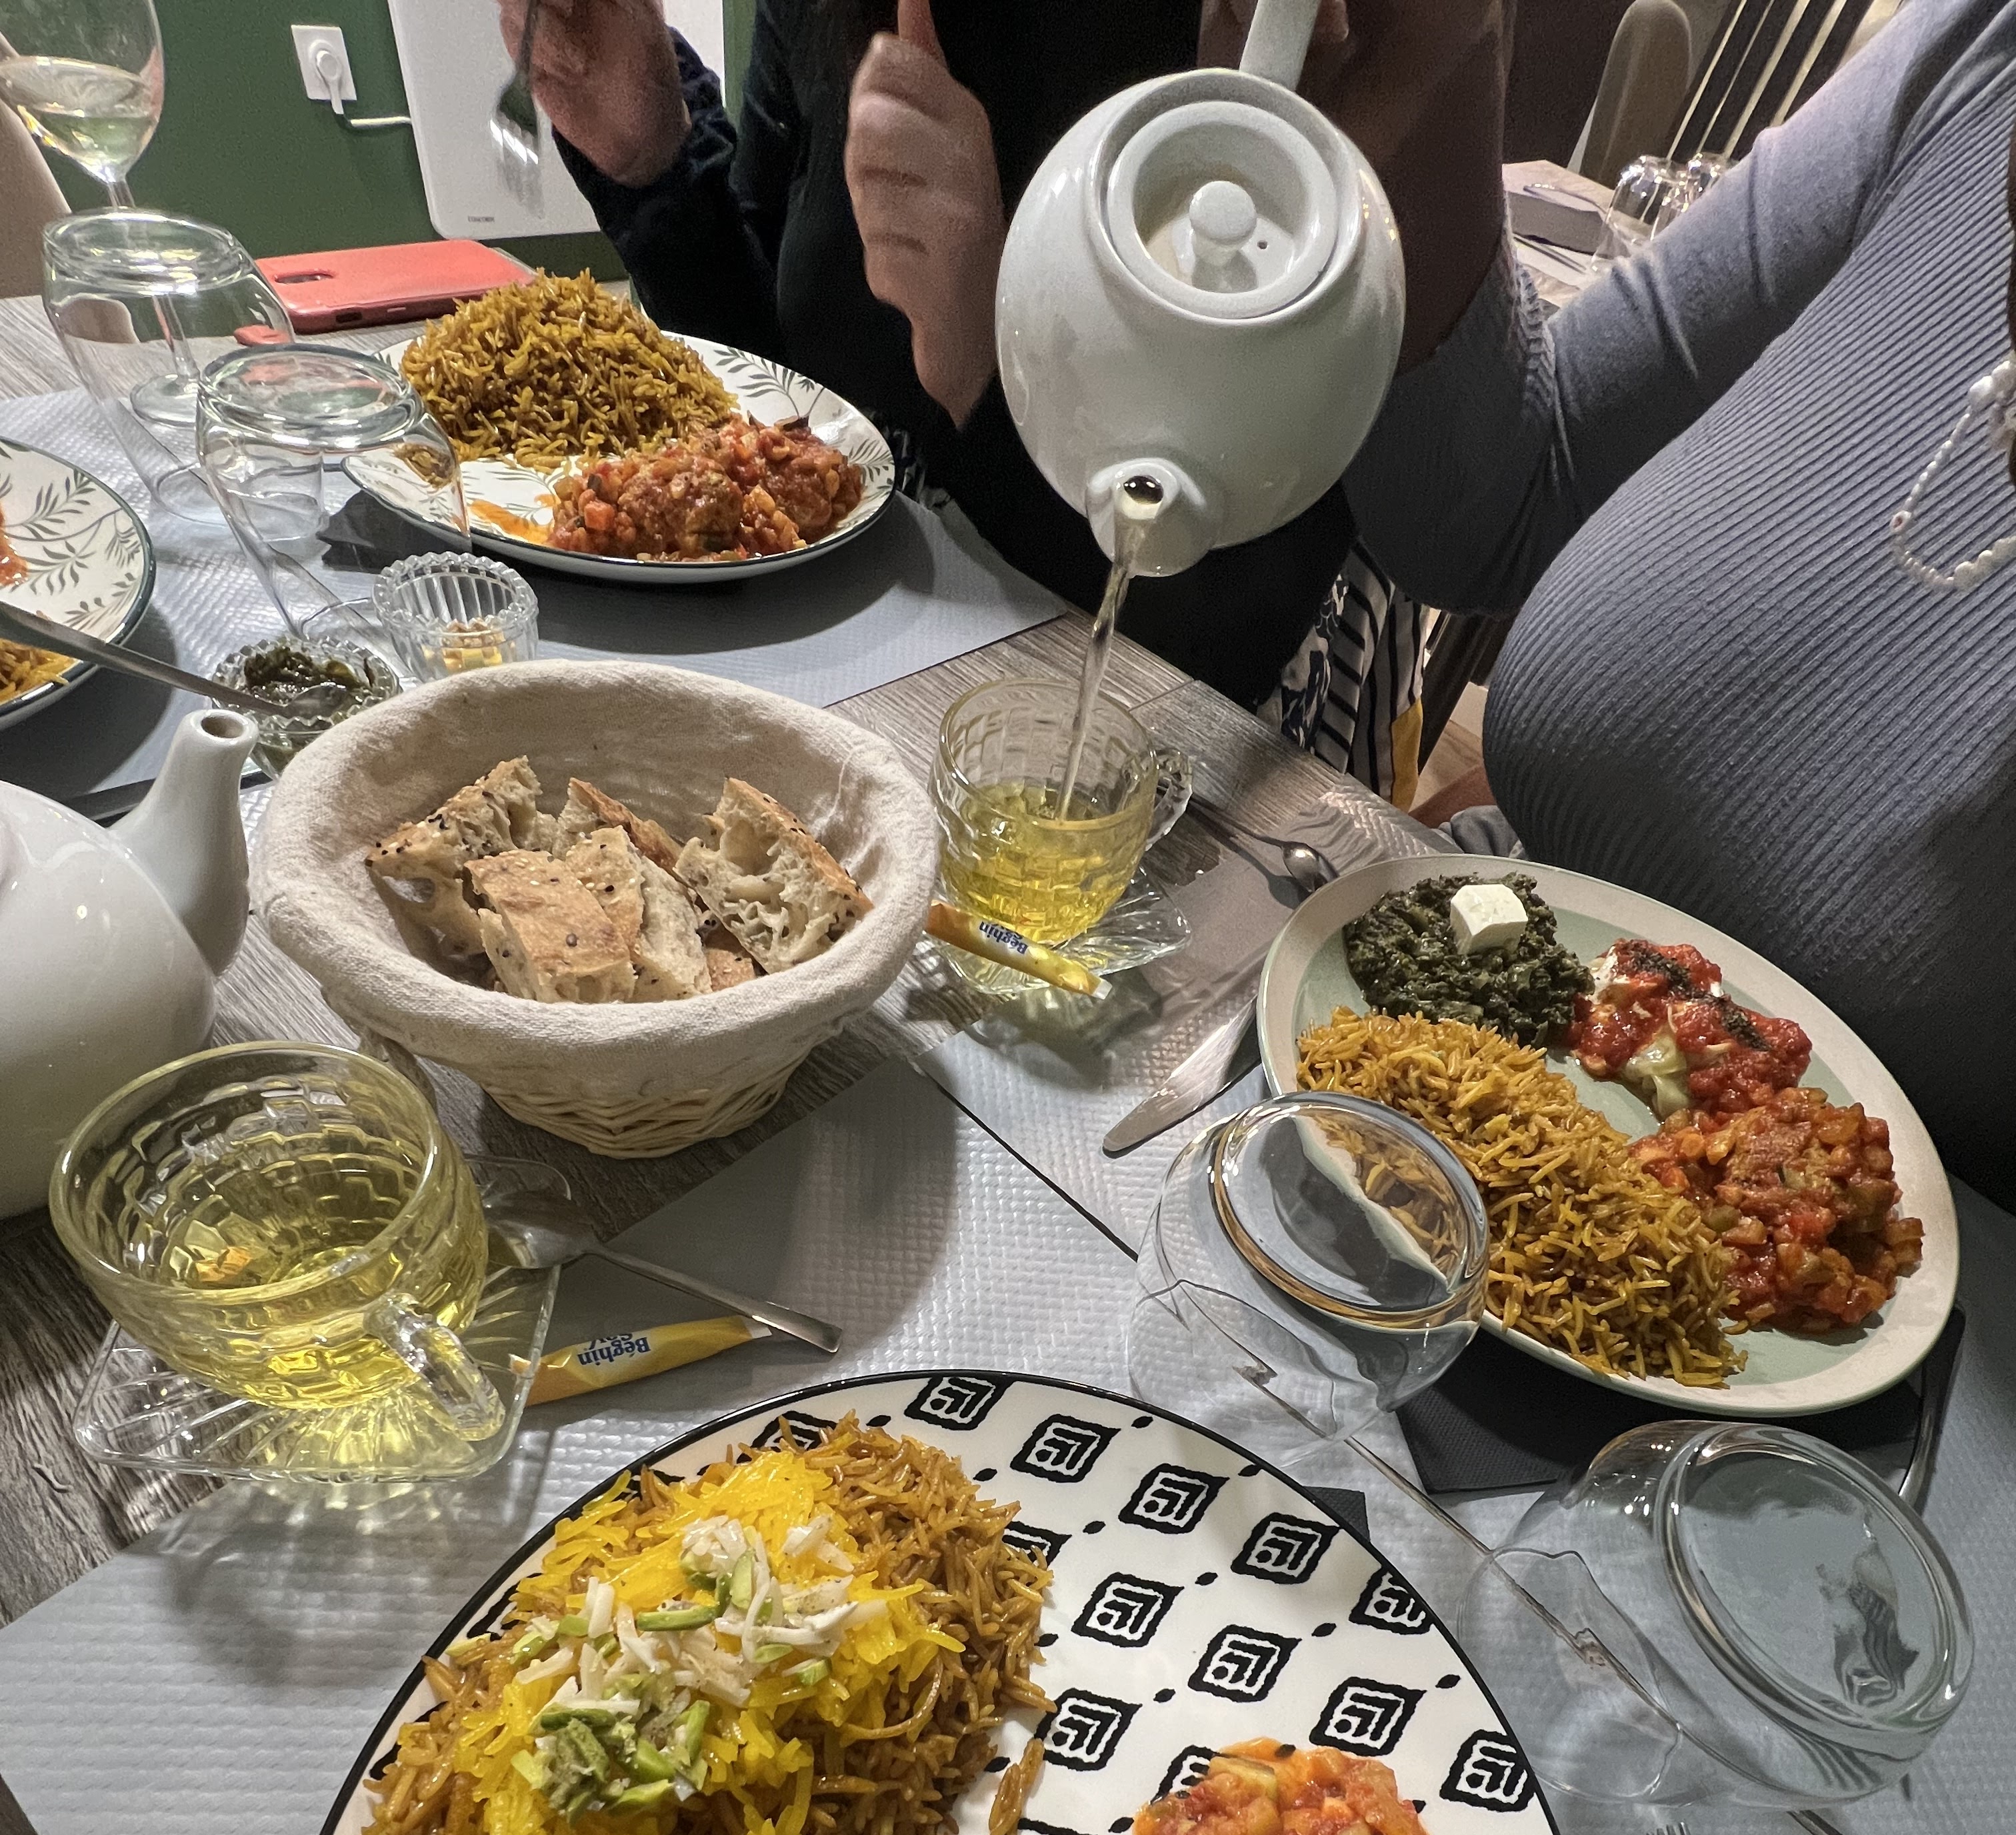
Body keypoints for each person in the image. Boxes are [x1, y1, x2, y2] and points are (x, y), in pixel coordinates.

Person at [1269, 0, 2016, 1199]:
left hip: (1860, 1267)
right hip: (1442, 1007)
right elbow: (1499, 499)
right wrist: (1439, 54)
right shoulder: (1979, 49)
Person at [495, 0, 1429, 800]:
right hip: (851, 679)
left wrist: (990, 361)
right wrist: (653, 162)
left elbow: (1221, 639)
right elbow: (787, 403)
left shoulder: (1274, 33)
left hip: (1166, 764)